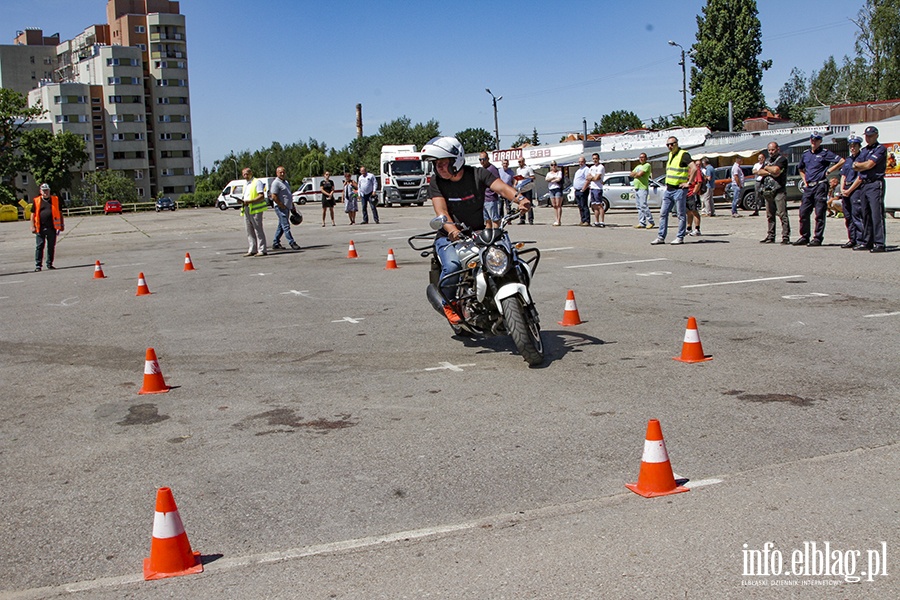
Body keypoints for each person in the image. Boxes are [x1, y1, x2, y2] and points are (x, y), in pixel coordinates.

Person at [421, 136, 531, 324]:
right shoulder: (437, 183)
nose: (438, 168)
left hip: (479, 232)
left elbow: (503, 189)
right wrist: (452, 230)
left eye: (442, 163)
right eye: (436, 164)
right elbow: (441, 211)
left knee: (510, 257)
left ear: (456, 161)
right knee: (453, 267)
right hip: (450, 237)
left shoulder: (478, 174)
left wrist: (520, 199)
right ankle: (450, 303)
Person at [795, 132, 844, 246]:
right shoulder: (806, 154)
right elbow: (801, 168)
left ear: (820, 141)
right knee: (803, 212)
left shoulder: (824, 153)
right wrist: (805, 179)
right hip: (809, 186)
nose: (814, 141)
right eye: (812, 139)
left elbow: (841, 161)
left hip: (820, 185)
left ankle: (817, 238)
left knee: (819, 212)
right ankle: (804, 236)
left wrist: (829, 171)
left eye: (816, 140)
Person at [651, 136, 695, 245]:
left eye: (672, 144)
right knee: (663, 213)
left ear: (677, 143)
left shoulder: (683, 154)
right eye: (668, 145)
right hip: (669, 189)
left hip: (679, 189)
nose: (670, 146)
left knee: (680, 214)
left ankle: (680, 237)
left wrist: (688, 183)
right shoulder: (670, 155)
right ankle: (661, 237)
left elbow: (694, 168)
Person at [852, 125, 888, 253]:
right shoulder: (864, 150)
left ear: (876, 135)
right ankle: (867, 241)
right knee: (865, 214)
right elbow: (855, 165)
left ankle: (879, 243)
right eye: (867, 136)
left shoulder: (880, 149)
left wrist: (861, 166)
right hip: (864, 184)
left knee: (876, 213)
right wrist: (861, 166)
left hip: (875, 183)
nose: (868, 138)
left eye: (871, 136)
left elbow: (869, 165)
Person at [756, 141, 790, 244]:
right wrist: (769, 170)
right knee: (770, 215)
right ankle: (771, 235)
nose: (771, 152)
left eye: (773, 150)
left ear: (777, 149)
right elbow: (759, 171)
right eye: (769, 150)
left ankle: (785, 236)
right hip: (768, 191)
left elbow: (776, 170)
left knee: (782, 214)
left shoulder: (782, 160)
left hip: (779, 190)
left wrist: (768, 169)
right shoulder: (767, 161)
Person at [31, 183, 64, 271]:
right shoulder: (36, 201)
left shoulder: (55, 200)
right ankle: (38, 265)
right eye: (44, 191)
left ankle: (49, 263)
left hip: (52, 228)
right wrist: (32, 226)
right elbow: (32, 214)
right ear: (40, 191)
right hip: (40, 227)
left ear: (49, 191)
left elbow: (60, 213)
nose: (45, 192)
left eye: (47, 190)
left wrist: (62, 224)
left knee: (51, 246)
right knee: (39, 246)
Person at [837, 135, 863, 249]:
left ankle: (860, 239)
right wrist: (842, 189)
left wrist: (849, 190)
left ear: (859, 146)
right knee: (848, 216)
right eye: (851, 146)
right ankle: (852, 239)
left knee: (856, 215)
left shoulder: (861, 159)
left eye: (855, 146)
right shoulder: (848, 159)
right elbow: (843, 175)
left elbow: (860, 177)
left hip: (855, 189)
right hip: (846, 189)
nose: (852, 148)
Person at [269, 166, 300, 251]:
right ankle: (292, 242)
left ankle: (276, 243)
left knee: (281, 226)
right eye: (280, 172)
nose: (282, 174)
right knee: (286, 226)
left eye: (283, 172)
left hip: (287, 207)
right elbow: (274, 196)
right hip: (280, 208)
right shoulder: (276, 183)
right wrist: (280, 204)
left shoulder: (285, 182)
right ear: (277, 173)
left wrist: (292, 205)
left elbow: (288, 195)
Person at [241, 167, 267, 256]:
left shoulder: (257, 182)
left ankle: (262, 249)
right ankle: (252, 249)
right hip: (247, 208)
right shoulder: (245, 184)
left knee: (258, 230)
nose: (245, 175)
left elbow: (261, 196)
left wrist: (250, 201)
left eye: (247, 173)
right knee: (249, 230)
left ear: (251, 173)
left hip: (256, 209)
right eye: (244, 174)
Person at [630, 153, 655, 228]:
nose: (641, 159)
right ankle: (642, 222)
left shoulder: (647, 165)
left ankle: (651, 221)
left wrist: (636, 174)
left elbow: (639, 175)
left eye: (643, 157)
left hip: (643, 188)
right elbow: (631, 174)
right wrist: (635, 173)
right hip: (637, 187)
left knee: (643, 205)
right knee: (639, 206)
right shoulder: (638, 166)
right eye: (640, 157)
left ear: (646, 158)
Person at [479, 152, 502, 228]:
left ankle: (496, 236)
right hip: (483, 198)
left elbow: (498, 182)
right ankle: (489, 238)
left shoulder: (492, 169)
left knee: (494, 219)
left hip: (491, 199)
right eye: (480, 159)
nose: (482, 161)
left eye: (483, 159)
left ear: (488, 159)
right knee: (487, 220)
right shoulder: (482, 169)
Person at [685, 159, 703, 236]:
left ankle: (697, 229)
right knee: (688, 212)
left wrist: (694, 192)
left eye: (699, 164)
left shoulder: (697, 171)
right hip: (686, 193)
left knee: (694, 211)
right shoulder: (687, 171)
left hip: (692, 193)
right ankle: (689, 228)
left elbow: (699, 182)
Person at [588, 153, 606, 227]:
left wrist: (593, 178)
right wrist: (593, 178)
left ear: (598, 159)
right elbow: (588, 177)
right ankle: (596, 221)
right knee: (594, 205)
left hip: (598, 188)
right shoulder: (591, 167)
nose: (595, 160)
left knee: (599, 205)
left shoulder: (601, 167)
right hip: (592, 188)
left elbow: (597, 178)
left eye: (596, 158)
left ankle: (602, 221)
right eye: (593, 159)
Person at [572, 156, 591, 226]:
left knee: (584, 205)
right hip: (577, 190)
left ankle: (587, 220)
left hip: (583, 190)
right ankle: (582, 220)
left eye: (582, 162)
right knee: (580, 206)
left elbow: (588, 180)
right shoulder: (579, 170)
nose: (580, 163)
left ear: (585, 162)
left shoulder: (586, 169)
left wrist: (583, 189)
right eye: (579, 162)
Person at [515, 157, 535, 224]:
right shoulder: (518, 170)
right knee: (521, 203)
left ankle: (530, 219)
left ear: (523, 161)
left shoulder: (528, 168)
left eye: (520, 162)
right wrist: (515, 184)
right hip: (521, 188)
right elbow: (517, 179)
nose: (519, 163)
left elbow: (533, 177)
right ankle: (522, 219)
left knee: (529, 203)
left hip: (527, 187)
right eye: (518, 162)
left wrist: (525, 178)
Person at [545, 161, 564, 226]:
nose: (553, 166)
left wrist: (552, 179)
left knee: (558, 205)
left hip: (557, 189)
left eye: (555, 164)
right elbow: (547, 179)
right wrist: (553, 178)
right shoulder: (549, 173)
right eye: (552, 165)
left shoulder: (559, 172)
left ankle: (559, 220)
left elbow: (559, 179)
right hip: (551, 189)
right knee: (554, 205)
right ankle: (556, 219)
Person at [751, 152, 766, 216]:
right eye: (759, 158)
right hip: (758, 181)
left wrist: (759, 172)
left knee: (767, 195)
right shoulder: (756, 165)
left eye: (761, 158)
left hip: (764, 181)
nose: (760, 159)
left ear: (764, 158)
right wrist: (760, 172)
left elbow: (766, 172)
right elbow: (754, 171)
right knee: (757, 196)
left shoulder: (766, 164)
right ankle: (756, 210)